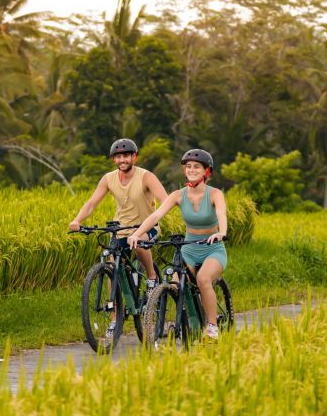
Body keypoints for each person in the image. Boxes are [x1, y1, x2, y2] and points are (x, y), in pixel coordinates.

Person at [69, 138, 168, 336]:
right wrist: (77, 220)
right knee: (111, 263)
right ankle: (115, 317)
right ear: (114, 159)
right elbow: (91, 203)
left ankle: (151, 276)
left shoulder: (146, 177)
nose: (122, 159)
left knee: (139, 244)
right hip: (121, 229)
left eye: (126, 156)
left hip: (146, 227)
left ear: (134, 157)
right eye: (118, 156)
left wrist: (152, 220)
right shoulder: (108, 178)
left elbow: (165, 201)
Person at [127, 149, 227, 340]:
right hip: (188, 249)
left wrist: (221, 233)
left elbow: (222, 214)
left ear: (207, 171)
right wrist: (137, 234)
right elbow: (156, 215)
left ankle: (212, 326)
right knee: (173, 281)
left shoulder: (215, 194)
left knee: (203, 279)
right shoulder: (178, 195)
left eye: (196, 167)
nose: (191, 170)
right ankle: (187, 319)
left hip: (212, 248)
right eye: (188, 167)